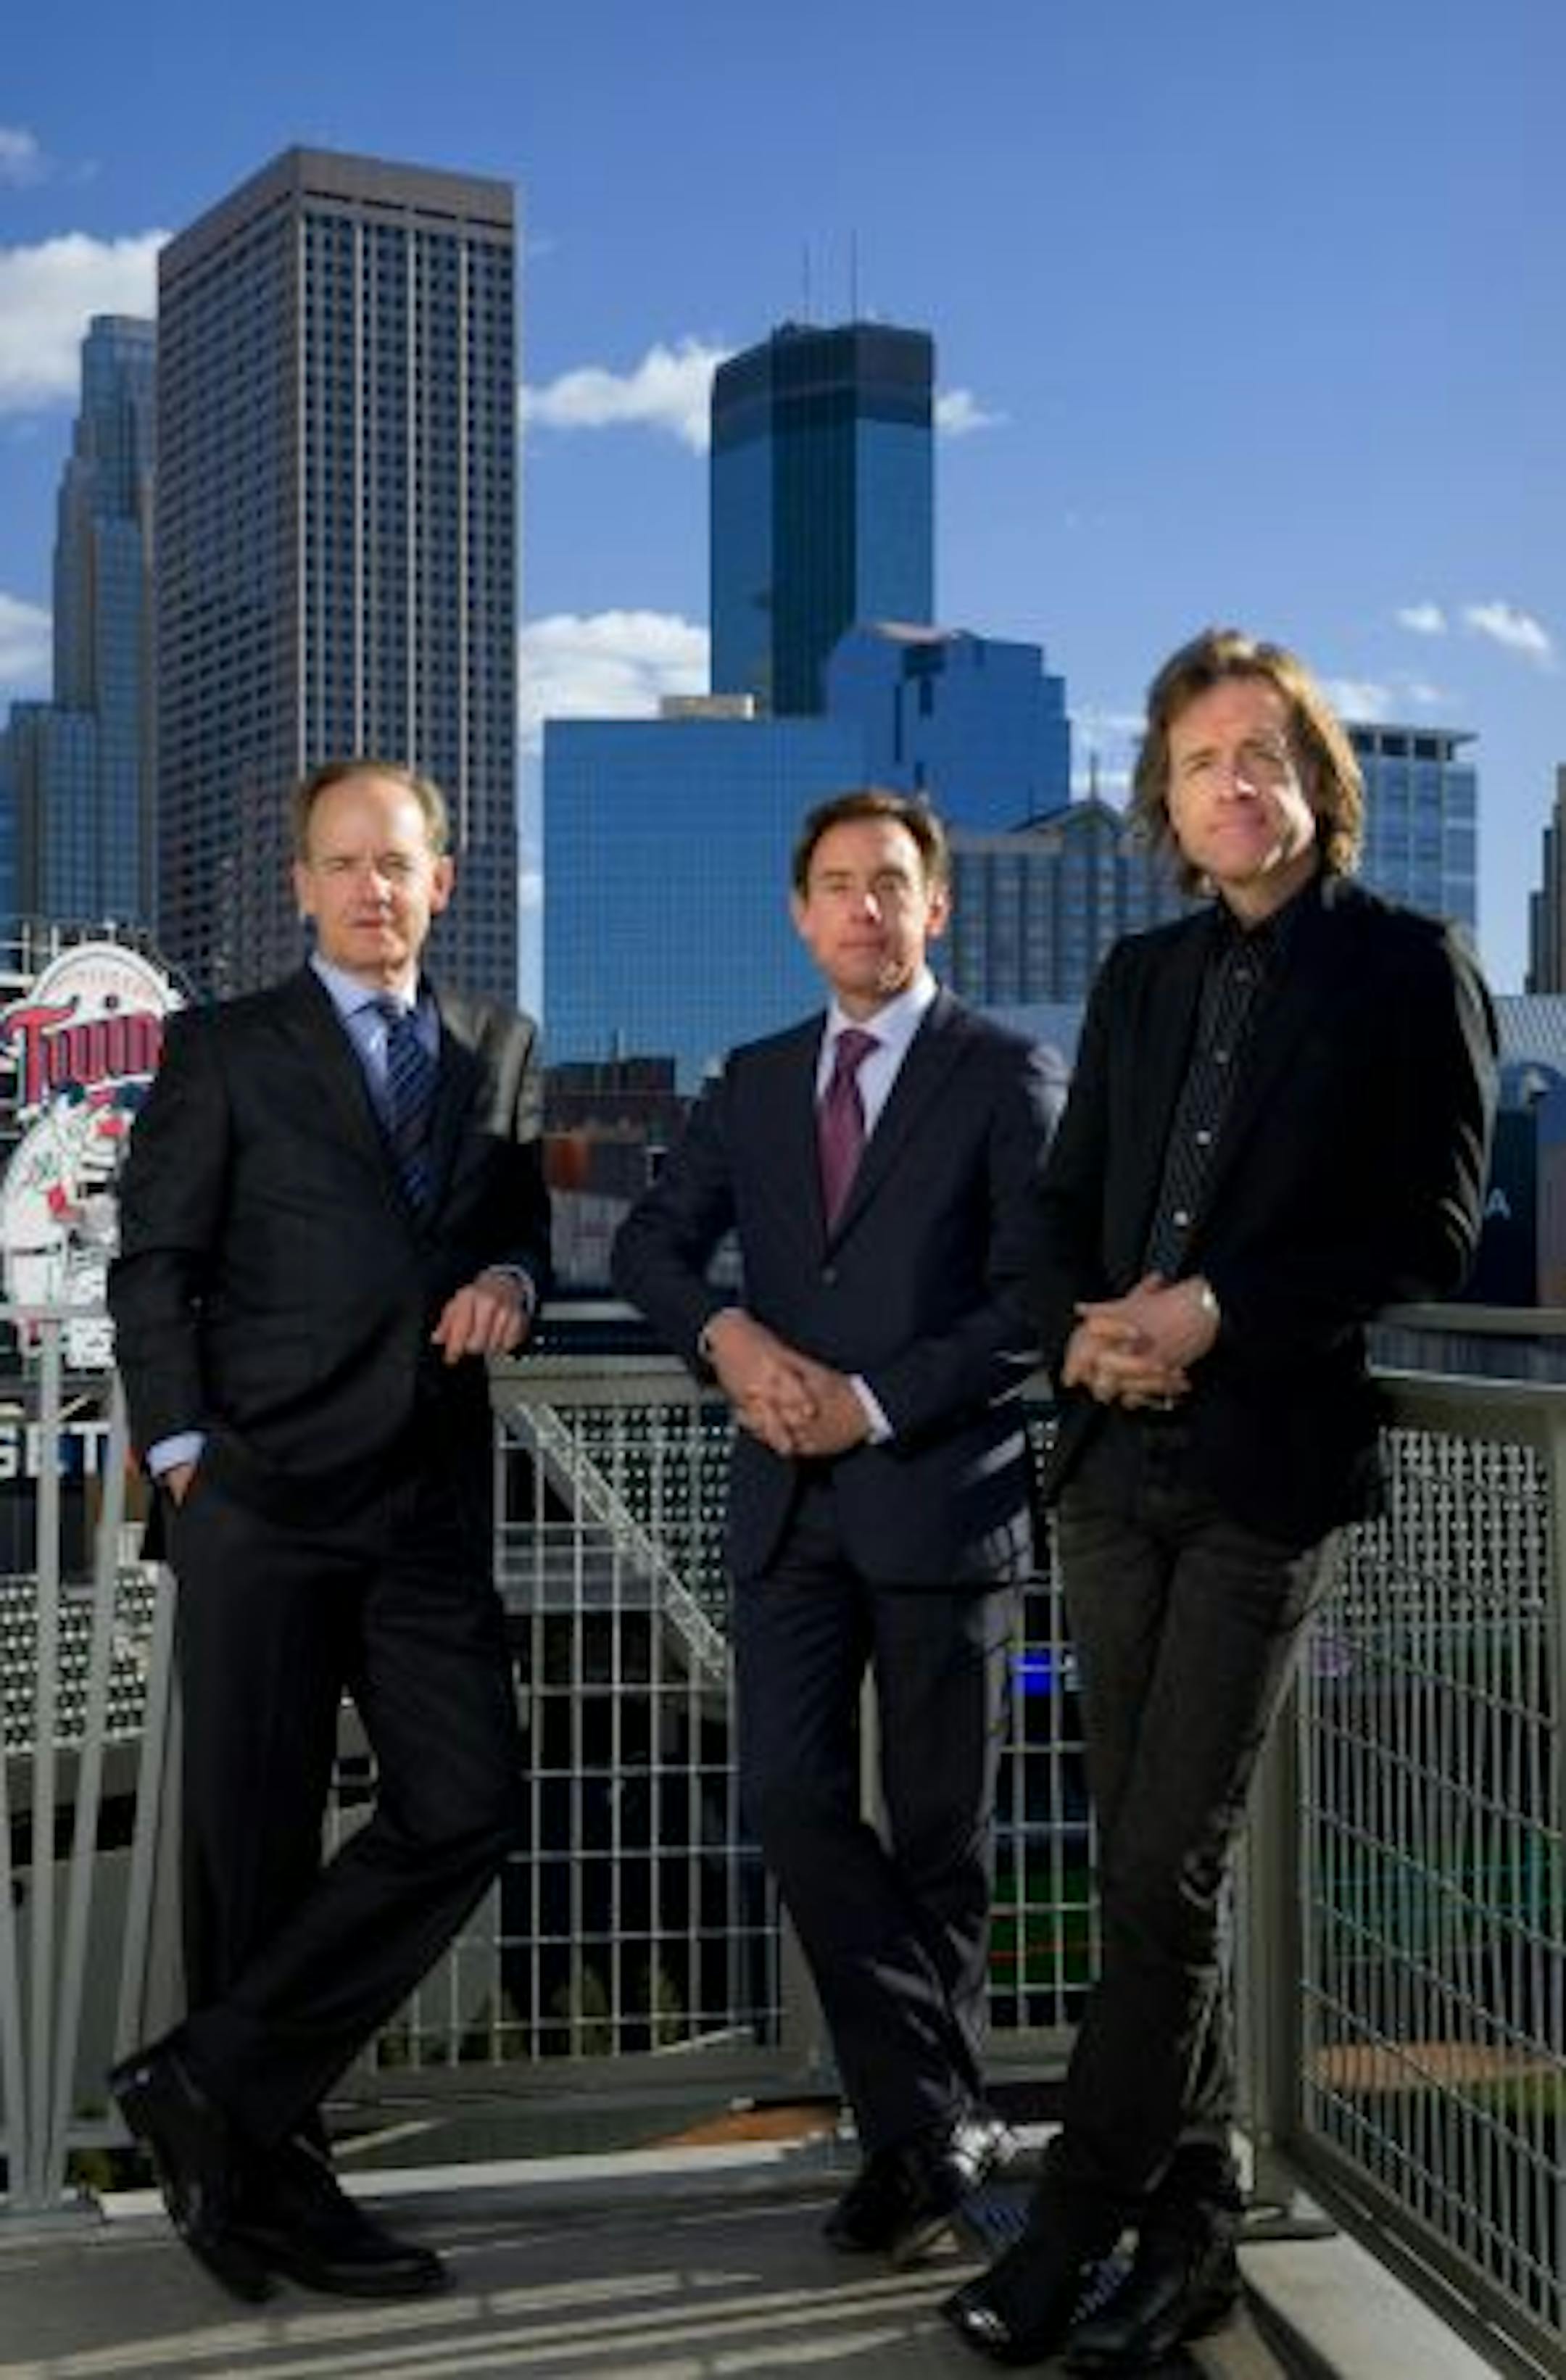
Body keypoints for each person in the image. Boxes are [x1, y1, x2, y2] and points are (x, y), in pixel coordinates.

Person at [942, 629, 1498, 2370]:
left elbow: (1434, 1226)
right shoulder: (1138, 978)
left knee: (1168, 1863)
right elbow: (1051, 1216)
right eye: (1199, 762)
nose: (1232, 784)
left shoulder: (1411, 968)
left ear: (1315, 781)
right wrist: (1085, 1340)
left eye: (1262, 753)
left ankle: (1079, 2222)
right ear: (1167, 806)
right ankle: (1188, 2214)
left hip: (1267, 1472)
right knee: (1133, 1861)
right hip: (1116, 1469)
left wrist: (1221, 1307)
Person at [107, 760, 550, 2305]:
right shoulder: (222, 1047)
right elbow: (153, 1263)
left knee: (471, 1801)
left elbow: (515, 1228)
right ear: (299, 884)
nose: (374, 887)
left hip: (427, 1506)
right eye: (344, 863)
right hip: (261, 1506)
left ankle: (206, 2082)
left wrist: (514, 1283)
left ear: (443, 882)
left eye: (401, 862)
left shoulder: (501, 1046)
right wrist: (182, 1460)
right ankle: (256, 2184)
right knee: (253, 1852)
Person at [613, 789, 1064, 2265]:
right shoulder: (748, 1081)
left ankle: (906, 2147)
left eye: (892, 884)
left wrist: (872, 1402)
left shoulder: (1005, 1074)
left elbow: (1035, 1303)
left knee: (941, 1841)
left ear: (937, 908)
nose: (864, 908)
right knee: (791, 1799)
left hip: (941, 1497)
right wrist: (729, 1344)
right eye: (835, 886)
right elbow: (648, 1245)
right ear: (799, 915)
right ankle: (941, 2117)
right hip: (787, 1512)